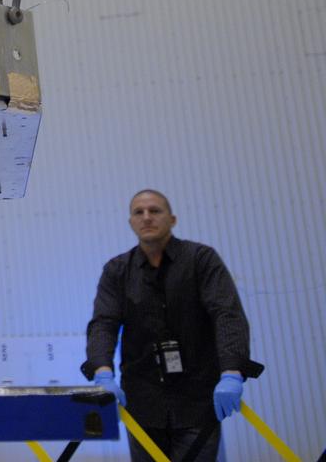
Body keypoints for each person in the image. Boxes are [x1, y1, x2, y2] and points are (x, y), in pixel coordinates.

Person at [82, 189, 261, 462]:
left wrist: (232, 374)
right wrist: (103, 375)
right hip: (142, 402)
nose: (146, 217)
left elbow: (227, 314)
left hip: (197, 399)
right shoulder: (117, 270)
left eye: (155, 210)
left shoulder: (201, 260)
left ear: (172, 219)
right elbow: (103, 323)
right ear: (130, 222)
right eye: (138, 212)